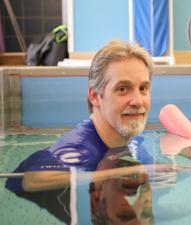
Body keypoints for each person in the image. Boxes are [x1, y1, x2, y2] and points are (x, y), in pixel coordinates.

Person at [6, 39, 154, 192]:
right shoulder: (80, 148)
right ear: (95, 96)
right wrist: (120, 173)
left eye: (143, 88)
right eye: (123, 89)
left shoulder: (131, 137)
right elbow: (32, 180)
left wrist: (145, 197)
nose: (138, 101)